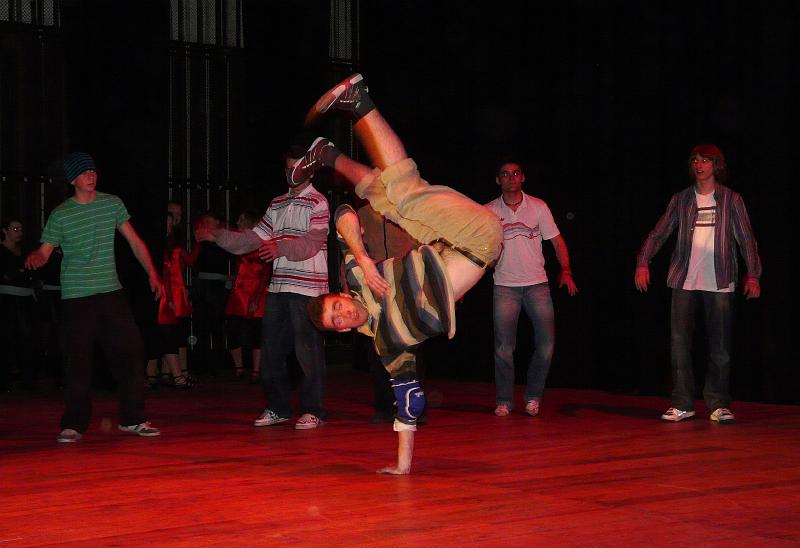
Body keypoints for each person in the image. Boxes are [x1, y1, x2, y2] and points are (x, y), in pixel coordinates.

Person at [302, 73, 503, 474]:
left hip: (442, 241)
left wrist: (361, 258)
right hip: (478, 242)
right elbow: (410, 402)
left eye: (337, 306)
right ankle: (357, 100)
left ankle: (327, 154)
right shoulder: (387, 343)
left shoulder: (358, 280)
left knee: (386, 196)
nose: (344, 313)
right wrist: (402, 466)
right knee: (405, 194)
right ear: (342, 331)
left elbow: (343, 214)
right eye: (337, 320)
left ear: (341, 296)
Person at [25, 152, 163, 443]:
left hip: (111, 293)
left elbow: (134, 241)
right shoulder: (61, 214)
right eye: (84, 172)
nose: (91, 175)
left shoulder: (112, 204)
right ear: (72, 180)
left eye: (93, 171)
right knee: (77, 361)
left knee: (131, 351)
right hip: (77, 296)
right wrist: (37, 257)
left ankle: (133, 418)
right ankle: (74, 423)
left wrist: (152, 272)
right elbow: (45, 250)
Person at [195, 149, 329, 430]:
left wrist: (280, 247)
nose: (292, 173)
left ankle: (313, 410)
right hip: (279, 287)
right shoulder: (277, 203)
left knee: (308, 352)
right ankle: (278, 407)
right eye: (288, 168)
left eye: (298, 168)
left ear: (309, 171)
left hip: (308, 289)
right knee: (271, 350)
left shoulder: (318, 202)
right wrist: (218, 236)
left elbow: (312, 243)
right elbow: (252, 238)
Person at [635, 144, 761, 424]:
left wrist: (753, 274)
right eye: (695, 161)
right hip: (684, 280)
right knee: (679, 344)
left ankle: (718, 404)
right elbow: (659, 233)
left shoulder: (731, 199)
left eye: (705, 160)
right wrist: (643, 261)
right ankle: (682, 403)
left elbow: (746, 238)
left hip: (720, 280)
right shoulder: (681, 199)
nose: (699, 165)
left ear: (716, 165)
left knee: (720, 347)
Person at [485, 159, 578, 418]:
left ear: (523, 177)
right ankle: (504, 400)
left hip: (537, 284)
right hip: (505, 286)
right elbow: (479, 250)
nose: (511, 177)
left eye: (516, 173)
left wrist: (566, 271)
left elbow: (557, 242)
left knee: (546, 345)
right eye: (505, 174)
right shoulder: (488, 211)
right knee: (503, 348)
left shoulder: (538, 207)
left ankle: (534, 397)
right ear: (498, 180)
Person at [353, 203, 421, 424]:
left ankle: (414, 407)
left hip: (404, 281)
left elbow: (421, 240)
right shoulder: (362, 214)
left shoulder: (404, 207)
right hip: (374, 286)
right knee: (377, 348)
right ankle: (384, 407)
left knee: (411, 346)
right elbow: (354, 249)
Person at [224, 209, 272, 382]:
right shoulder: (241, 241)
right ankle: (239, 368)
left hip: (255, 292)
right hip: (239, 292)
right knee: (232, 330)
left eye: (241, 219)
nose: (237, 222)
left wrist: (256, 299)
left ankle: (256, 371)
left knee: (256, 332)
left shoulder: (260, 243)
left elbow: (265, 273)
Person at [0, 219, 36, 391]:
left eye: (20, 229)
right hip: (7, 300)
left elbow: (31, 273)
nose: (19, 232)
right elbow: (6, 276)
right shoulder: (1, 251)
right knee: (6, 339)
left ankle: (26, 378)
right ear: (5, 230)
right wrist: (19, 273)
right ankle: (4, 380)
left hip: (25, 299)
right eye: (15, 229)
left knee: (27, 339)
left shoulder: (25, 251)